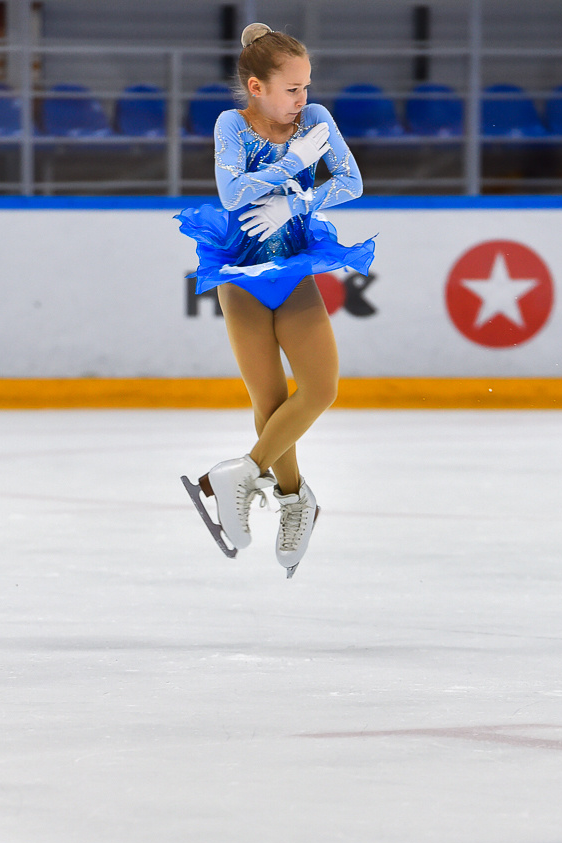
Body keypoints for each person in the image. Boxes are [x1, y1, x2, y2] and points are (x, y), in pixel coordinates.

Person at [178, 22, 375, 578]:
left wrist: (298, 204)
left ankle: (241, 473)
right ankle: (296, 500)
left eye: (307, 87)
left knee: (321, 388)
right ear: (257, 87)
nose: (303, 100)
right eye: (292, 89)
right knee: (268, 402)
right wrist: (292, 168)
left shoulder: (316, 120)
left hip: (292, 267)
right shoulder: (231, 125)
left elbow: (352, 182)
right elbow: (232, 193)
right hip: (240, 270)